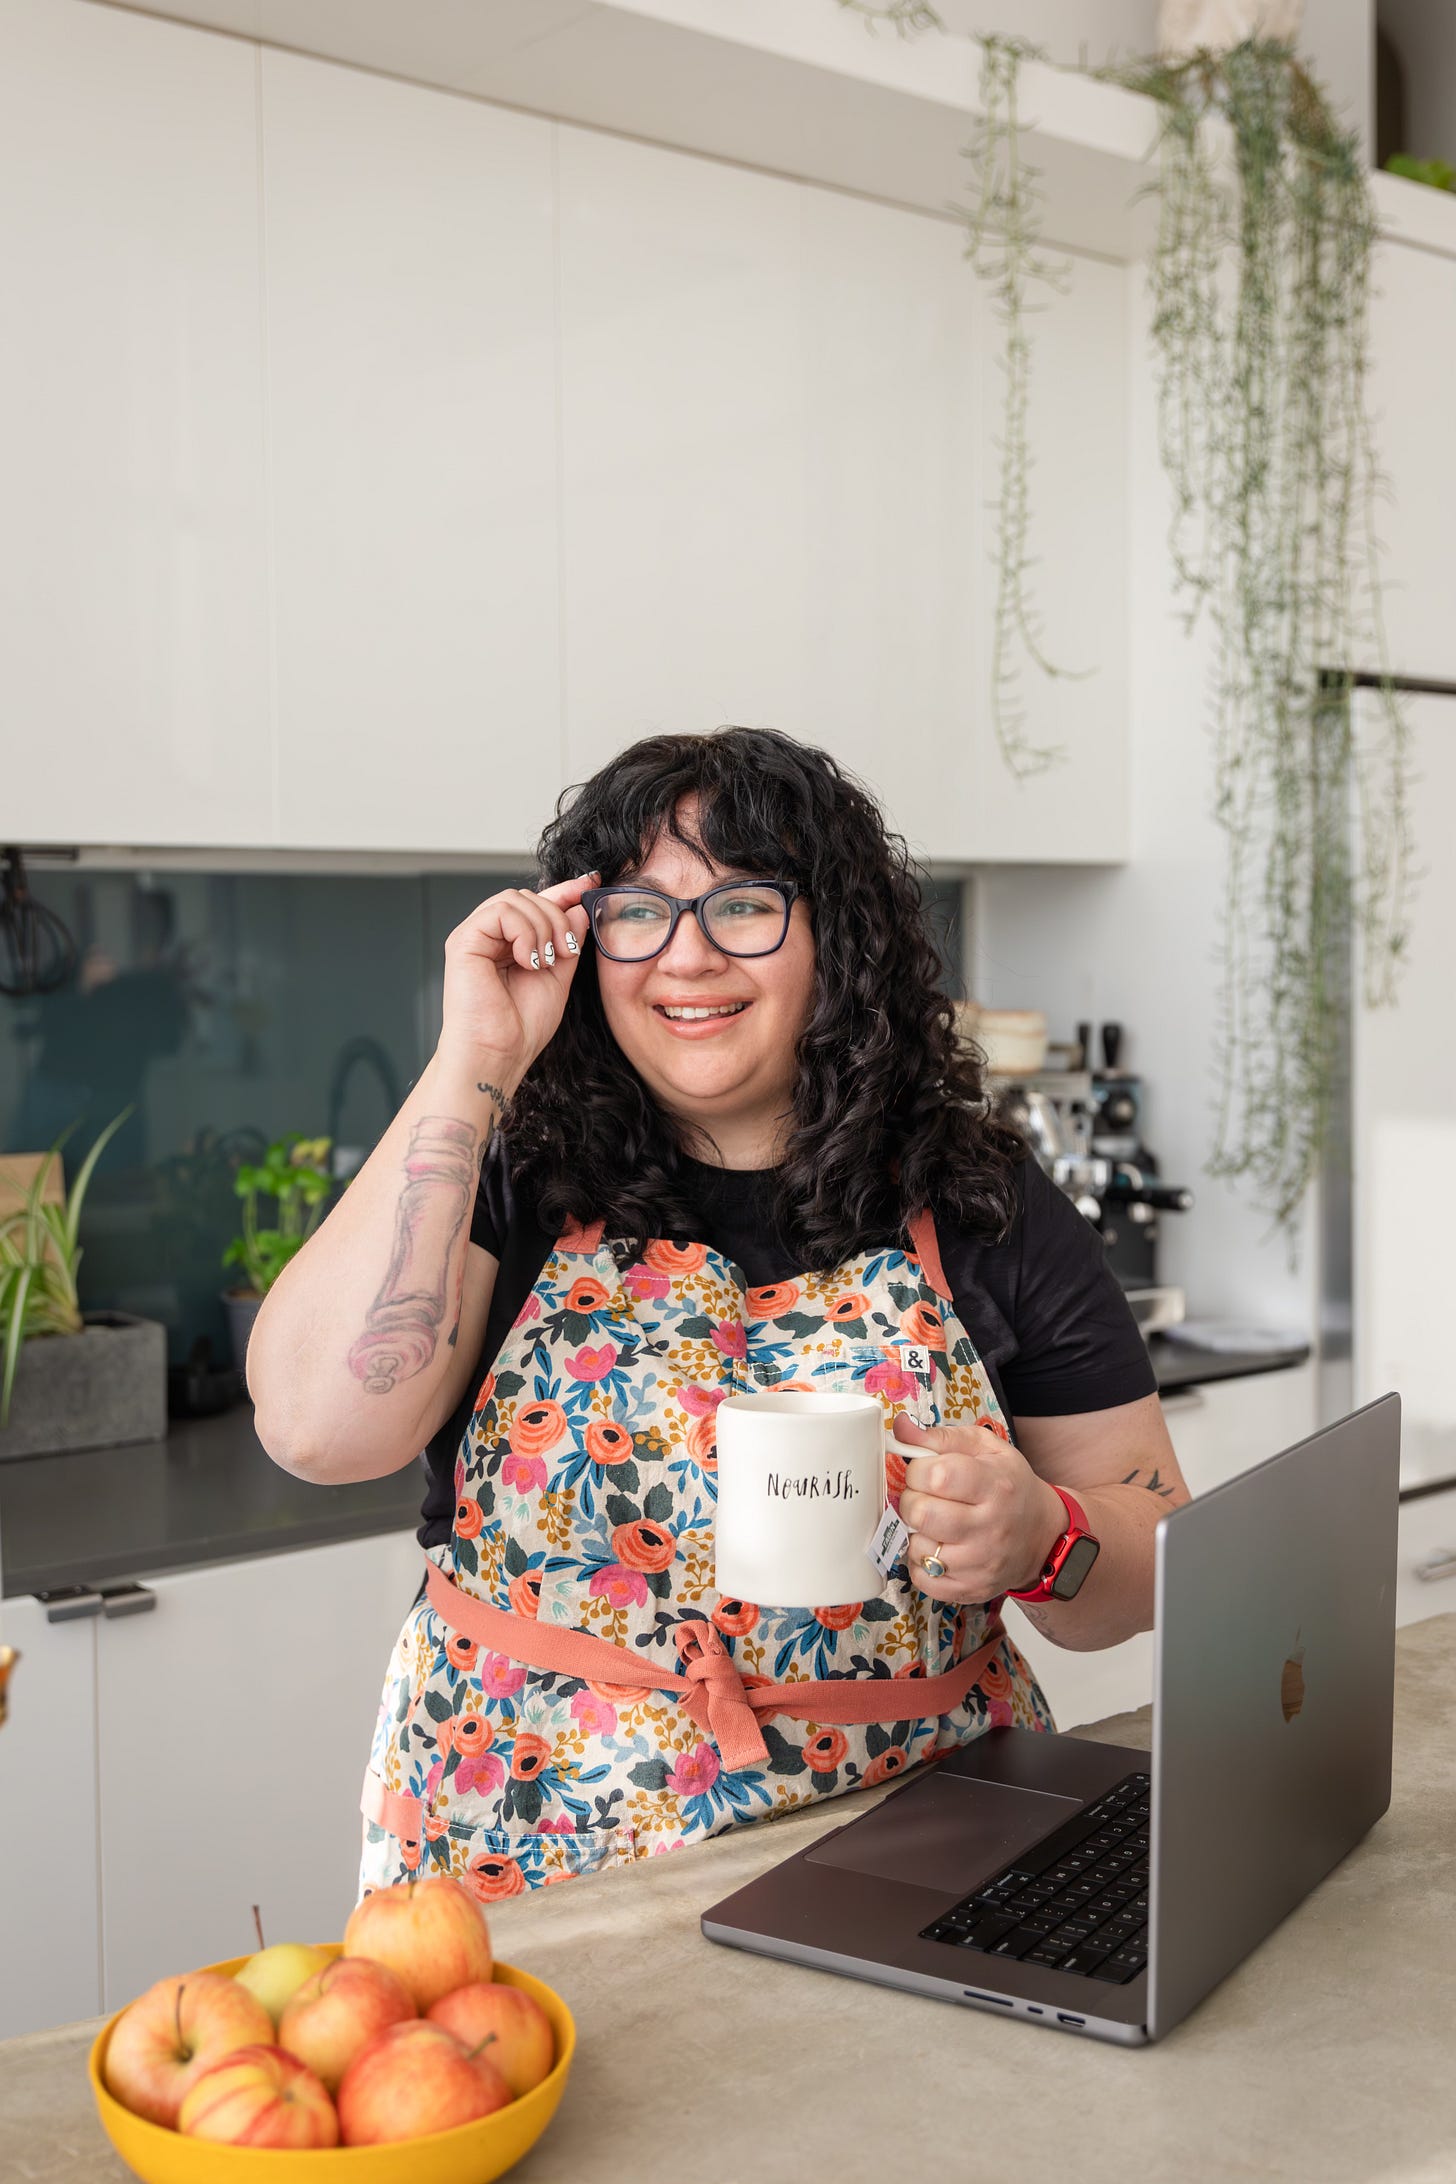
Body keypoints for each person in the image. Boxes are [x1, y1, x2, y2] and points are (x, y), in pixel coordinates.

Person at [250, 727, 1189, 1901]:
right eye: (637, 912)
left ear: (836, 938)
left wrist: (1046, 1533)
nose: (685, 957)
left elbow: (1157, 1544)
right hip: (527, 1862)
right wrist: (474, 1061)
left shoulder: (976, 1198)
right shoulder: (511, 1170)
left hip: (920, 1848)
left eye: (742, 905)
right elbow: (316, 1433)